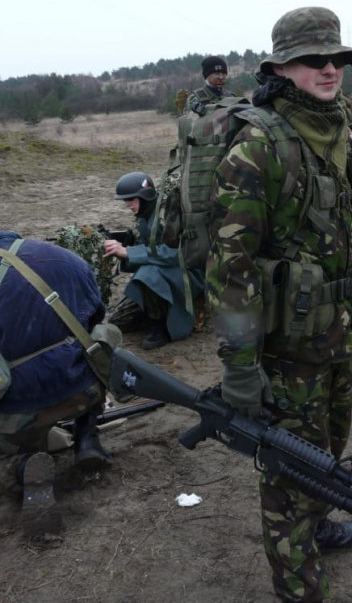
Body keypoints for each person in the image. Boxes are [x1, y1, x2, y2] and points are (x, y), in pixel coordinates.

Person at [206, 6, 352, 603]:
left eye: (337, 58)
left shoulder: (340, 125)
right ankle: (299, 588)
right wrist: (239, 366)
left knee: (329, 451)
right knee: (291, 474)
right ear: (284, 68)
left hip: (334, 332)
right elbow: (229, 267)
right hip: (285, 347)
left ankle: (316, 530)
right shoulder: (258, 144)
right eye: (315, 60)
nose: (329, 68)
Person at [0, 232, 118, 536]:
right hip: (82, 390)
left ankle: (26, 460)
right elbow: (96, 318)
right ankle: (87, 435)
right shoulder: (64, 259)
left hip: (16, 418)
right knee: (101, 337)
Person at [105, 172, 204, 350]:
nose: (127, 205)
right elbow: (146, 250)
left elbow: (176, 254)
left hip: (189, 273)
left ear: (144, 196)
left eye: (131, 199)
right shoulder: (145, 216)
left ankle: (161, 326)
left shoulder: (167, 213)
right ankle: (153, 311)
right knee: (117, 320)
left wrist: (129, 252)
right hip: (167, 273)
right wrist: (123, 250)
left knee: (148, 273)